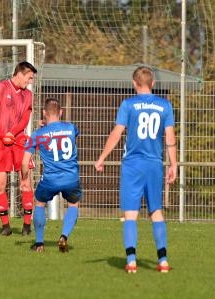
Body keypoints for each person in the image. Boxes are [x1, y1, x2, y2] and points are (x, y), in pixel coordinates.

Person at [95, 66, 177, 273]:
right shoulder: (165, 105)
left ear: (134, 84)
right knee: (156, 213)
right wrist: (174, 164)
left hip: (132, 165)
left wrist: (102, 157)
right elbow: (170, 138)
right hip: (154, 165)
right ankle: (163, 261)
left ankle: (131, 261)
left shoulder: (128, 104)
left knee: (131, 215)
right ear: (153, 83)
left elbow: (116, 133)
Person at [21, 98, 82, 252]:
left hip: (50, 179)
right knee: (73, 204)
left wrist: (24, 179)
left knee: (40, 203)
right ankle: (64, 236)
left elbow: (24, 161)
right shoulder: (72, 128)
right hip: (71, 178)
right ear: (61, 112)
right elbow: (67, 135)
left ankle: (40, 243)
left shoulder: (37, 135)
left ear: (44, 113)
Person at [0, 61, 37, 236]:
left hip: (19, 141)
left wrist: (12, 133)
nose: (30, 81)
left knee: (26, 182)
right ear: (20, 74)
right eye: (29, 77)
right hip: (0, 142)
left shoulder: (29, 95)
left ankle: (26, 226)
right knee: (0, 184)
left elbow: (25, 118)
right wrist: (3, 134)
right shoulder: (0, 87)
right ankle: (6, 226)